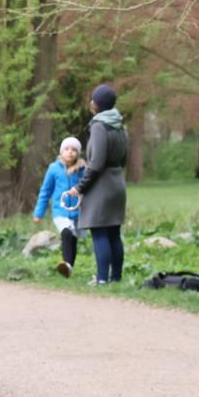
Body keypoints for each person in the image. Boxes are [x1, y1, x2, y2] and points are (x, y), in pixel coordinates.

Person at [66, 84, 128, 285]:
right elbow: (124, 159)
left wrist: (79, 187)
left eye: (93, 99)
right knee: (114, 234)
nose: (91, 102)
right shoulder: (119, 125)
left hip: (102, 186)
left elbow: (96, 163)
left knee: (99, 231)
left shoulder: (99, 126)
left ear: (98, 104)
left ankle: (102, 279)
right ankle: (116, 278)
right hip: (117, 182)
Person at [33, 136, 85, 278]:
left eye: (74, 150)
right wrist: (39, 212)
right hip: (60, 211)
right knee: (66, 233)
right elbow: (45, 191)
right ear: (61, 152)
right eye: (66, 149)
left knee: (73, 239)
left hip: (78, 211)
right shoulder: (54, 169)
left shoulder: (82, 169)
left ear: (78, 153)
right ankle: (66, 264)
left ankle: (68, 268)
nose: (70, 152)